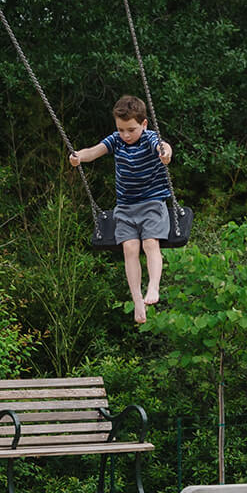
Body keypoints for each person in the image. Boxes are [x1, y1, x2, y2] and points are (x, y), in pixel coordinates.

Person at [68, 95, 175, 325]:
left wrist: (166, 154)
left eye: (131, 129)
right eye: (121, 129)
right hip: (125, 207)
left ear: (144, 124)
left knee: (150, 243)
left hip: (152, 203)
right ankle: (137, 299)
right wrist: (78, 157)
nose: (126, 135)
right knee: (129, 248)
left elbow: (163, 146)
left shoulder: (149, 138)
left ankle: (153, 287)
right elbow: (94, 151)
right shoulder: (115, 140)